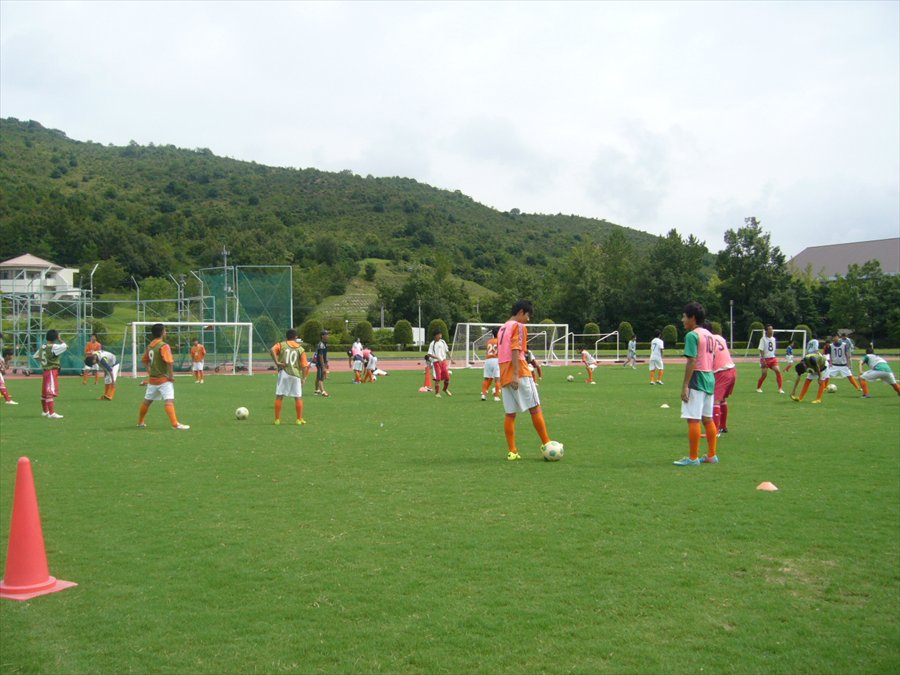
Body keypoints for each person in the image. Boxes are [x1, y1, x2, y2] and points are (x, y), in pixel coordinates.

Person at [497, 300, 556, 461]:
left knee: (510, 413)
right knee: (535, 407)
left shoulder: (503, 327)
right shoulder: (519, 326)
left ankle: (512, 451)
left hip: (504, 372)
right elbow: (516, 349)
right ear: (521, 312)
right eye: (528, 315)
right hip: (519, 372)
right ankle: (547, 443)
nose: (528, 319)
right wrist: (516, 374)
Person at [673, 303, 718, 466]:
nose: (682, 320)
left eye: (684, 316)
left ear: (692, 318)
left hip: (697, 378)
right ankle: (712, 455)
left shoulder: (692, 335)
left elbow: (692, 360)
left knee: (693, 419)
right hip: (710, 377)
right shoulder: (710, 335)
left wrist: (685, 385)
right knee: (708, 418)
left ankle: (693, 458)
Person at [137, 323, 189, 429]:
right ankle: (175, 424)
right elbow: (169, 362)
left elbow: (144, 361)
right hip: (163, 379)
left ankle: (140, 422)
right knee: (169, 400)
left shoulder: (150, 346)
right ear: (162, 332)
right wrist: (171, 376)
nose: (166, 332)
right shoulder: (163, 346)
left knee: (147, 401)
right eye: (165, 330)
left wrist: (150, 372)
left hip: (153, 380)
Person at [270, 329, 309, 425]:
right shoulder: (300, 349)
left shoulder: (281, 345)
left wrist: (277, 362)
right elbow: (305, 366)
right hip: (295, 374)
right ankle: (299, 419)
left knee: (279, 396)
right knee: (298, 397)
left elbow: (272, 350)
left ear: (286, 337)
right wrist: (304, 378)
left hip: (284, 373)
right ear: (296, 337)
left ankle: (277, 420)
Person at [34, 329, 67, 419]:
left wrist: (44, 361)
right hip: (51, 371)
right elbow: (65, 346)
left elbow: (36, 356)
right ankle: (52, 413)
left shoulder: (43, 346)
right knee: (50, 392)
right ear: (56, 337)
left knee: (44, 392)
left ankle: (45, 411)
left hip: (45, 371)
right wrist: (60, 339)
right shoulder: (54, 346)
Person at [709, 324, 736, 436]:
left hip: (721, 371)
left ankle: (715, 431)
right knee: (722, 400)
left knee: (715, 400)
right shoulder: (720, 338)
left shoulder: (708, 340)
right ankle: (723, 426)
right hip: (732, 370)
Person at [756, 325, 784, 393]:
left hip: (772, 358)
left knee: (778, 371)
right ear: (767, 331)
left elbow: (773, 349)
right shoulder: (763, 339)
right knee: (764, 374)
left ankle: (780, 389)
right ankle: (758, 388)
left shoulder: (773, 339)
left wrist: (773, 355)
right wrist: (763, 359)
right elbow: (761, 350)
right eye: (770, 329)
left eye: (772, 329)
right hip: (765, 359)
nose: (771, 330)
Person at [427, 329, 452, 397]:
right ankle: (437, 393)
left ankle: (445, 389)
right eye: (439, 334)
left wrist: (451, 358)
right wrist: (437, 358)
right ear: (435, 336)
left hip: (443, 362)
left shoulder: (443, 341)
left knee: (447, 377)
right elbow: (429, 354)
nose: (440, 335)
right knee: (438, 378)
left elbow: (446, 350)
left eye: (441, 334)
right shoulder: (432, 344)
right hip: (436, 363)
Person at [481, 328, 501, 402]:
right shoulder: (499, 341)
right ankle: (497, 396)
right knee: (497, 379)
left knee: (486, 378)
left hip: (488, 360)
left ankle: (483, 395)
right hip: (496, 359)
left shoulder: (489, 341)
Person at [314, 330, 330, 397]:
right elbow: (320, 356)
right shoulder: (321, 344)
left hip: (322, 363)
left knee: (319, 377)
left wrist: (327, 362)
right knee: (321, 377)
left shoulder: (325, 344)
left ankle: (316, 390)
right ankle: (323, 391)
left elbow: (325, 354)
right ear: (322, 336)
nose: (328, 336)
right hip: (320, 363)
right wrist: (323, 366)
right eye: (326, 335)